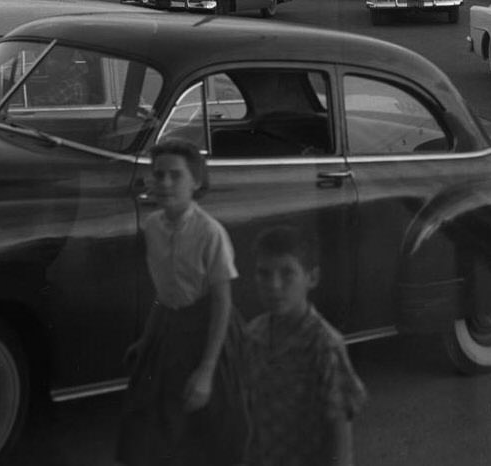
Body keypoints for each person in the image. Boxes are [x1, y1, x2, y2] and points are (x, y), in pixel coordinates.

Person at [117, 139, 247, 466]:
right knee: (152, 423)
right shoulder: (152, 227)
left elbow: (222, 304)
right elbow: (164, 294)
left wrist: (206, 371)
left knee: (213, 425)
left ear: (196, 182)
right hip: (170, 332)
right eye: (158, 175)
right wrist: (146, 340)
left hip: (210, 335)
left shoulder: (210, 233)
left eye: (176, 175)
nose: (165, 183)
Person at [243, 224, 366, 466]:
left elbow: (340, 432)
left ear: (312, 278)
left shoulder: (324, 344)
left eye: (287, 273)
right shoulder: (253, 335)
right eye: (264, 273)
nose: (274, 285)